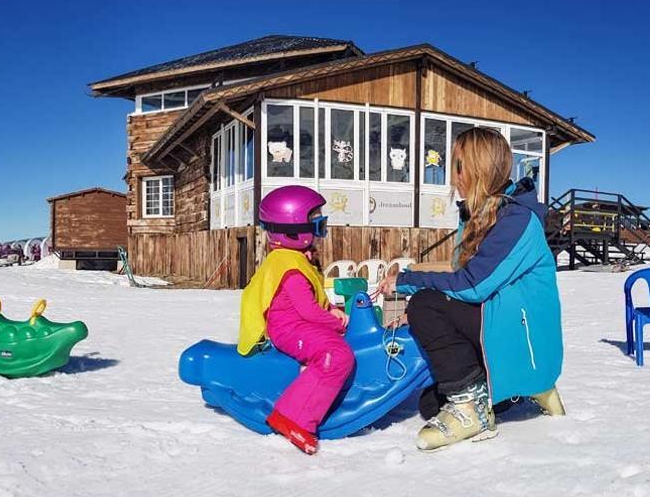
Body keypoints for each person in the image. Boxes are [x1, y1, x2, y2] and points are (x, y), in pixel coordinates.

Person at [377, 127, 565, 452]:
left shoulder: (517, 220)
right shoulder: (482, 216)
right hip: (505, 331)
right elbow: (464, 281)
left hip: (523, 341)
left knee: (425, 303)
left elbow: (473, 285)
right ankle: (503, 392)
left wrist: (408, 281)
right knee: (430, 405)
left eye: (457, 165)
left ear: (475, 169)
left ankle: (472, 407)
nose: (452, 175)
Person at [238, 186, 353, 455]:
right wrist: (336, 323)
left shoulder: (293, 258)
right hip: (290, 329)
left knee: (336, 348)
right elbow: (309, 311)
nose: (320, 230)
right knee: (335, 354)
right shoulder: (290, 268)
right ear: (293, 230)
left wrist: (332, 310)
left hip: (298, 324)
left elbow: (313, 303)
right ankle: (293, 417)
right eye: (316, 224)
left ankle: (317, 387)